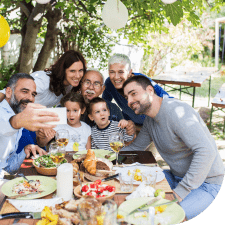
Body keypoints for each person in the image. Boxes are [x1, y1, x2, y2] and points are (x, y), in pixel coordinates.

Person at [122, 75, 224, 220]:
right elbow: (135, 148)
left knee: (167, 217)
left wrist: (179, 193)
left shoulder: (176, 112)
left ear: (150, 90)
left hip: (207, 184)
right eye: (127, 97)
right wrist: (107, 160)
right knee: (133, 192)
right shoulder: (150, 121)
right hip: (176, 177)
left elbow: (206, 152)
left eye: (133, 94)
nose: (129, 101)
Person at [0, 73, 59, 225]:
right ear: (9, 92)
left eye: (33, 94)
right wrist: (20, 120)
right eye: (24, 91)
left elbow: (8, 167)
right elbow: (3, 125)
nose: (30, 98)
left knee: (41, 211)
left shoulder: (15, 121)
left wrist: (25, 151)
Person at [0, 50, 87, 150]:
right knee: (25, 155)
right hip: (17, 117)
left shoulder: (70, 86)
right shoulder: (43, 80)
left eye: (80, 70)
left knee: (39, 153)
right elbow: (6, 91)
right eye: (72, 71)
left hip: (33, 120)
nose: (77, 75)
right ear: (63, 70)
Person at [102, 53, 170, 127]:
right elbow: (104, 104)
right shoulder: (109, 83)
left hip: (154, 125)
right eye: (112, 72)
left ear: (129, 72)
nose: (116, 77)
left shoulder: (141, 80)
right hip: (133, 125)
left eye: (121, 72)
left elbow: (167, 99)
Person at [79, 69, 135, 137]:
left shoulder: (113, 109)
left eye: (96, 84)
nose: (91, 87)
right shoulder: (69, 106)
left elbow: (125, 136)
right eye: (87, 82)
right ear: (80, 85)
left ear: (102, 89)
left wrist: (129, 128)